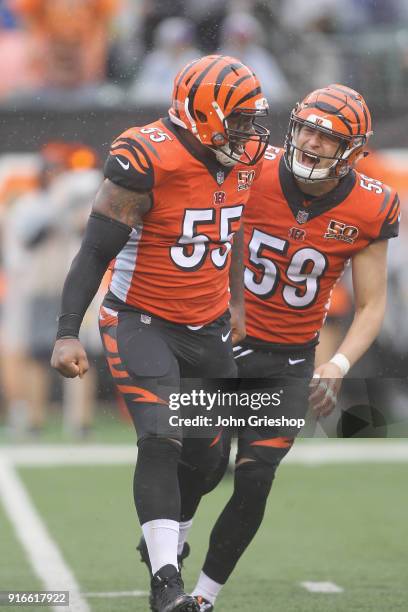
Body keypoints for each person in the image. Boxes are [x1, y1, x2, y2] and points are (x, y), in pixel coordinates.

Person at [51, 54, 269, 612]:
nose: (247, 132)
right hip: (139, 318)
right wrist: (67, 332)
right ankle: (167, 584)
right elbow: (96, 249)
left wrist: (237, 301)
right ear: (202, 113)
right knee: (162, 435)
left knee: (207, 460)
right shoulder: (146, 157)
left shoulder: (244, 160)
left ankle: (162, 545)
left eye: (251, 120)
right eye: (237, 119)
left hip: (208, 324)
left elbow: (232, 229)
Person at [188, 84, 400, 610]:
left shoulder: (372, 205)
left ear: (352, 149)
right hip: (221, 341)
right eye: (306, 127)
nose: (311, 141)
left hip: (288, 358)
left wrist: (339, 363)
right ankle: (169, 541)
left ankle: (203, 597)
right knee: (206, 464)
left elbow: (372, 305)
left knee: (256, 477)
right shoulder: (252, 166)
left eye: (327, 137)